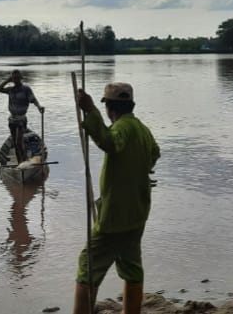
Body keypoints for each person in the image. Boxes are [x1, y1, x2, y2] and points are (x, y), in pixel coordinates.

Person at [72, 83, 160, 314]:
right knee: (131, 266)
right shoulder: (141, 128)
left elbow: (110, 142)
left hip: (115, 216)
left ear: (110, 107)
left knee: (87, 265)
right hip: (137, 211)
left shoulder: (122, 127)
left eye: (106, 107)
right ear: (130, 105)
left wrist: (91, 111)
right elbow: (155, 152)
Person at [0, 70, 44, 162]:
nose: (16, 80)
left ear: (20, 79)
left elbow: (33, 100)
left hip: (21, 119)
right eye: (14, 79)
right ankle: (20, 162)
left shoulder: (26, 89)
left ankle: (24, 160)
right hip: (12, 120)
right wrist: (7, 80)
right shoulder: (11, 90)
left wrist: (39, 107)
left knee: (19, 142)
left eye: (17, 78)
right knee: (15, 143)